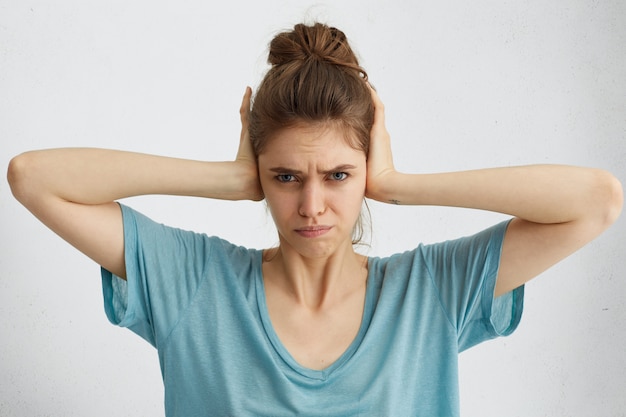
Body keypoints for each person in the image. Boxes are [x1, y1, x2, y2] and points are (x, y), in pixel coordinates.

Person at [7, 22, 623, 416]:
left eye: (337, 176)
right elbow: (33, 178)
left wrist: (397, 185)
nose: (310, 206)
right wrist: (225, 180)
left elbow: (597, 200)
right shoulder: (194, 282)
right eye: (284, 177)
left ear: (364, 171)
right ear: (261, 173)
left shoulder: (432, 291)